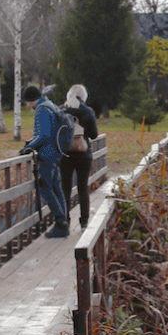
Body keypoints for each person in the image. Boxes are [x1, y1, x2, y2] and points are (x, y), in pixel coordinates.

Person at [20, 84, 71, 237]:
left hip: (47, 154)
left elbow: (44, 135)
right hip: (57, 152)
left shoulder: (42, 110)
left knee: (45, 187)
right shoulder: (50, 105)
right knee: (56, 187)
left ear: (29, 100)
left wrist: (29, 147)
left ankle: (61, 222)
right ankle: (64, 219)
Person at [60, 84, 99, 229]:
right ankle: (83, 222)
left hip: (65, 155)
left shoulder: (60, 110)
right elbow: (94, 135)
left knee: (65, 188)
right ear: (84, 96)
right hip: (83, 154)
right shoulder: (87, 112)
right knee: (83, 188)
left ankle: (65, 220)